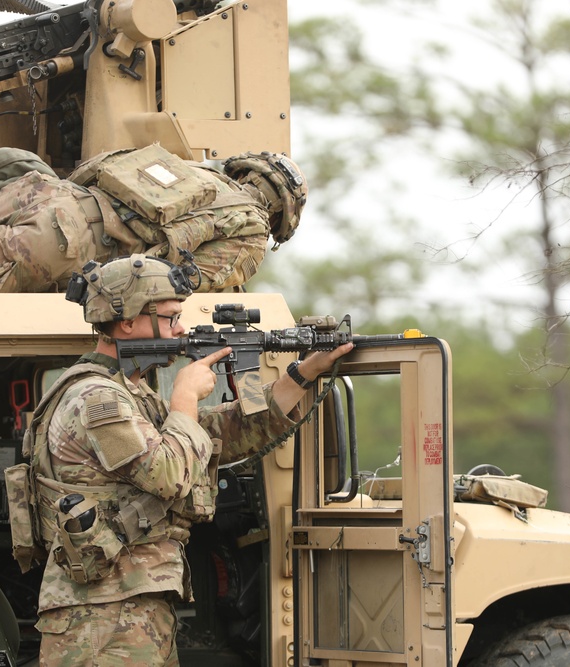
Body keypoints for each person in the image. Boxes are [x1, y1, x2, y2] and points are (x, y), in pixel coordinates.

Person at [20, 254, 351, 666]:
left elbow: (211, 436)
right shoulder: (98, 398)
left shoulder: (128, 391)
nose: (180, 329)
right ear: (127, 322)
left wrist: (300, 376)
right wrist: (185, 397)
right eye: (171, 317)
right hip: (103, 617)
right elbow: (170, 473)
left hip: (124, 607)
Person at [0, 145, 306, 293]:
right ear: (280, 213)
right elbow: (179, 283)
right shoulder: (250, 232)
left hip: (43, 192)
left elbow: (94, 169)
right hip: (64, 244)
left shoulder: (190, 170)